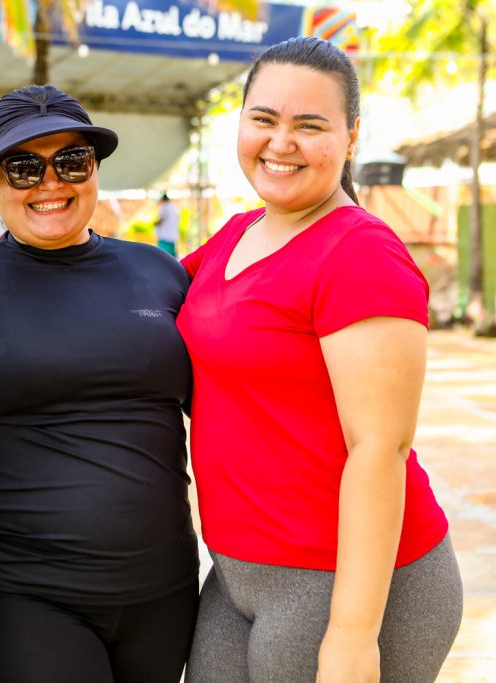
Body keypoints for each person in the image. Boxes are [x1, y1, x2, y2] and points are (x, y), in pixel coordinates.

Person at [178, 37, 462, 682]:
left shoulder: (360, 255)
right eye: (265, 119)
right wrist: (18, 258)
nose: (282, 143)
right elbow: (132, 295)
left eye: (311, 126)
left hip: (342, 581)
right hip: (236, 573)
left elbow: (379, 449)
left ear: (351, 136)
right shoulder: (237, 234)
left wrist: (354, 638)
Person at [0, 85, 199, 683]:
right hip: (14, 591)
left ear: (94, 169)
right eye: (24, 167)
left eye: (71, 161)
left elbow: (239, 401)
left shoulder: (160, 274)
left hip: (162, 589)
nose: (50, 183)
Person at [154, 192, 181, 256]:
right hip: (172, 234)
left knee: (162, 255)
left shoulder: (165, 208)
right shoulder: (175, 208)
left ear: (163, 200)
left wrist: (155, 223)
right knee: (172, 255)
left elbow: (161, 220)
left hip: (165, 235)